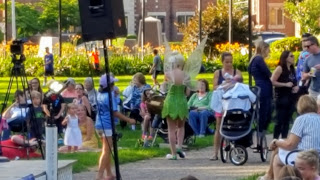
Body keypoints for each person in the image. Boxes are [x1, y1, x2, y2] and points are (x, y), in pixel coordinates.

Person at [259, 95, 320, 180]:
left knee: (277, 158)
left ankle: (271, 176)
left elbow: (290, 144)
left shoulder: (301, 119)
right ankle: (269, 175)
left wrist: (276, 142)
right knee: (279, 147)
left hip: (306, 156)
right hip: (317, 155)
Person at [95, 74, 136, 180]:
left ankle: (108, 173)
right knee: (107, 150)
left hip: (99, 124)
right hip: (107, 125)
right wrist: (129, 120)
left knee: (106, 149)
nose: (114, 85)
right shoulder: (109, 96)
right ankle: (99, 175)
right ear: (110, 85)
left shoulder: (99, 94)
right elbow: (115, 112)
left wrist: (116, 96)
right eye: (113, 84)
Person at [211, 52, 242, 160]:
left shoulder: (236, 72)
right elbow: (214, 87)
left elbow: (241, 85)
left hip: (233, 103)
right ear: (222, 62)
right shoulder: (218, 73)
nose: (229, 64)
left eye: (231, 62)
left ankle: (235, 147)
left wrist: (234, 81)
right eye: (226, 62)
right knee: (218, 127)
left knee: (234, 125)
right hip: (221, 102)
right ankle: (215, 153)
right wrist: (223, 84)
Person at [162, 52, 190, 160]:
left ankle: (173, 154)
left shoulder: (168, 74)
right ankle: (179, 147)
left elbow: (164, 89)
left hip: (171, 101)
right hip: (182, 101)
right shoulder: (186, 75)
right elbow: (187, 93)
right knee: (181, 126)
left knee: (171, 129)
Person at [271, 51, 298, 139]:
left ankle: (284, 139)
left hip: (290, 97)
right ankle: (275, 140)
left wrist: (295, 87)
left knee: (287, 121)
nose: (293, 57)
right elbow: (272, 81)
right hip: (281, 97)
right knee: (280, 120)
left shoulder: (292, 69)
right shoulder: (280, 68)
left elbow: (294, 82)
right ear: (285, 58)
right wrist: (285, 84)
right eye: (291, 56)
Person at [248, 41, 272, 134]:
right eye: (268, 50)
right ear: (263, 49)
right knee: (265, 109)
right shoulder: (259, 59)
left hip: (258, 85)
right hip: (264, 86)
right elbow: (268, 73)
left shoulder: (253, 59)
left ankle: (260, 129)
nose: (268, 52)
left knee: (262, 108)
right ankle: (261, 129)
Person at [302, 36, 320, 100]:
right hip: (314, 92)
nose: (306, 49)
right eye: (305, 47)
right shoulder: (308, 59)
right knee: (314, 110)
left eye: (308, 46)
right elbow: (303, 76)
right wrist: (311, 73)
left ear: (315, 44)